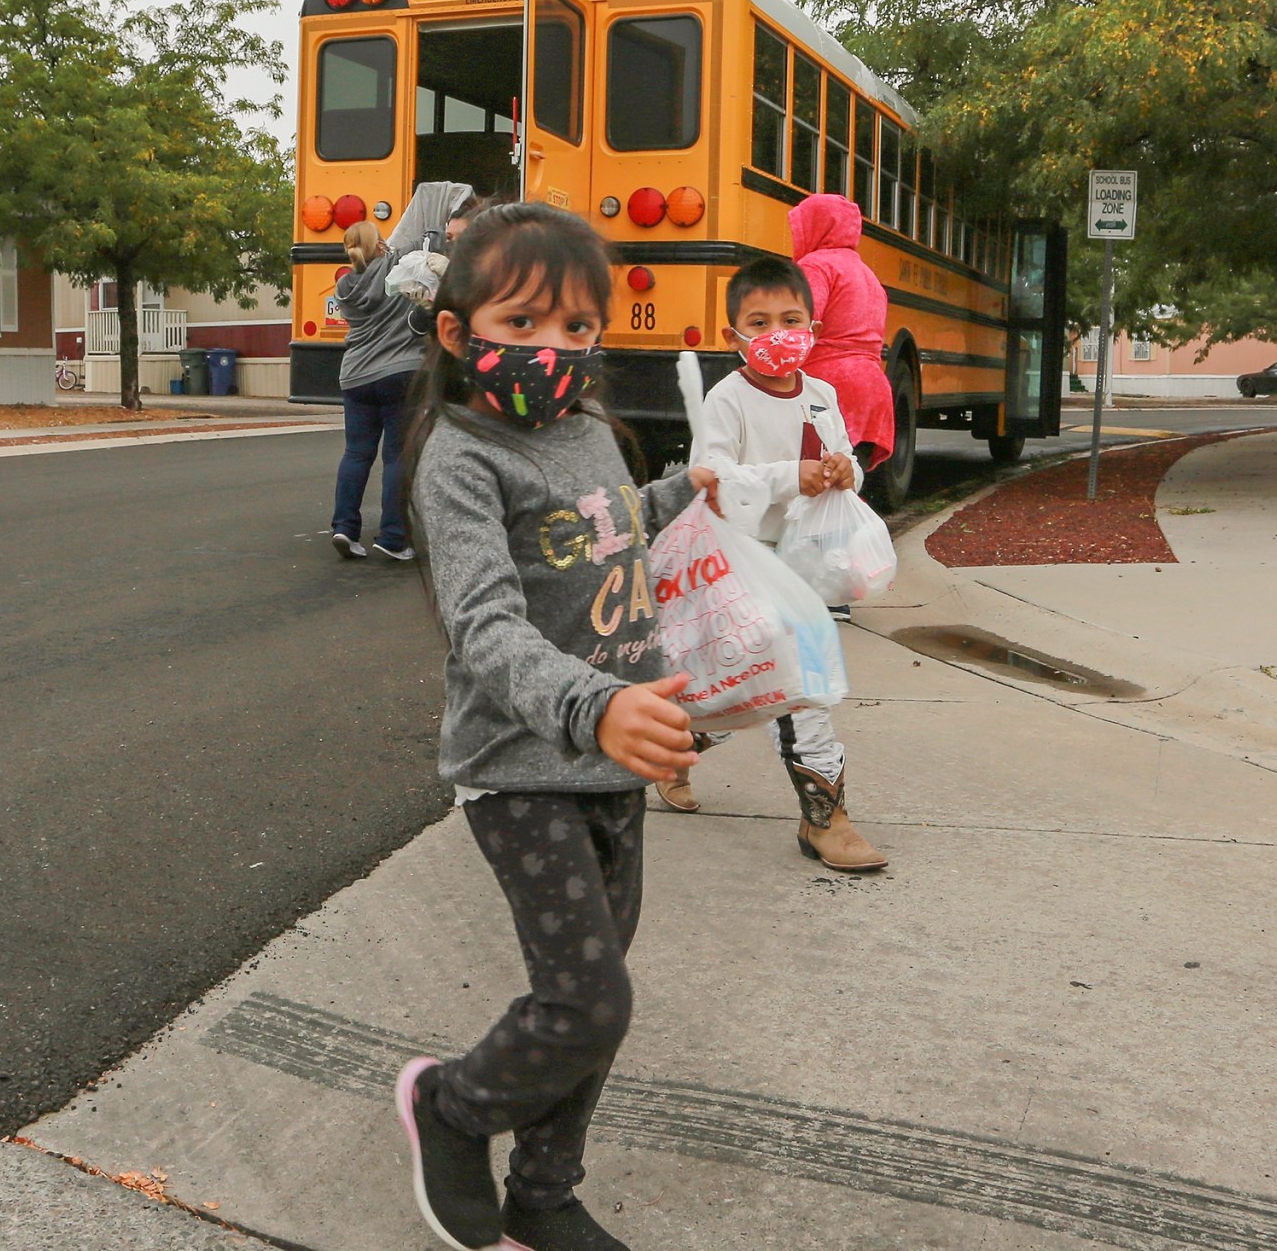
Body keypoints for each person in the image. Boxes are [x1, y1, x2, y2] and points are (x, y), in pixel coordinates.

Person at [392, 202, 723, 1251]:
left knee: (600, 998)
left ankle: (542, 1191)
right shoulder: (460, 457)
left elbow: (598, 533)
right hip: (522, 765)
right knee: (582, 1003)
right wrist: (595, 705)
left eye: (577, 330)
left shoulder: (586, 433)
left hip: (613, 759)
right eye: (524, 326)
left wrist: (678, 493)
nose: (555, 351)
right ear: (458, 332)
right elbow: (484, 626)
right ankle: (451, 1109)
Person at [666, 254, 888, 874]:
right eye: (758, 322)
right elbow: (716, 480)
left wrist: (848, 470)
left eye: (790, 319)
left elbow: (844, 461)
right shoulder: (727, 400)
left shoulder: (822, 395)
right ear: (731, 335)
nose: (776, 334)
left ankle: (683, 738)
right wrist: (794, 476)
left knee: (765, 680)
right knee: (802, 687)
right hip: (743, 563)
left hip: (805, 565)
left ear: (813, 327)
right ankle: (826, 817)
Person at [327, 183, 478, 561]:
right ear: (380, 245)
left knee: (356, 454)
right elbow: (428, 238)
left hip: (355, 377)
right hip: (400, 374)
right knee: (396, 457)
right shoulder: (399, 267)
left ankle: (345, 528)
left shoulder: (345, 286)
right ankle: (392, 538)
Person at [788, 192, 895, 473]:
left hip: (829, 390)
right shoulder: (867, 274)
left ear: (817, 226)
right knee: (849, 482)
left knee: (817, 483)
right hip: (873, 389)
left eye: (799, 228)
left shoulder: (814, 267)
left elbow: (800, 327)